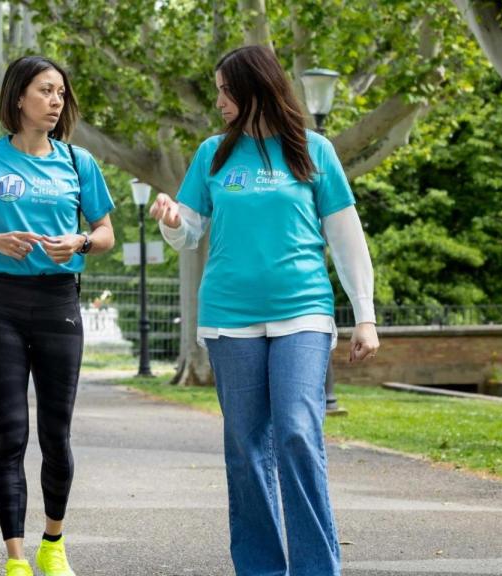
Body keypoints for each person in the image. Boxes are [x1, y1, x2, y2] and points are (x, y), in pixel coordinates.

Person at [150, 45, 379, 576]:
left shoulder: (312, 149)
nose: (219, 100)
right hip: (230, 318)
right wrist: (168, 217)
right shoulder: (213, 155)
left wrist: (363, 314)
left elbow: (346, 238)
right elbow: (187, 233)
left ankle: (317, 568)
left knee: (298, 430)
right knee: (246, 445)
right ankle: (260, 568)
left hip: (303, 311)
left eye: (226, 90)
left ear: (255, 88)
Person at [0, 55, 115, 576]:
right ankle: (16, 559)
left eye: (61, 93)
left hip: (59, 302)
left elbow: (105, 233)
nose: (55, 101)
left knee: (56, 433)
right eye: (46, 91)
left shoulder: (77, 162)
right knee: (11, 433)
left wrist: (81, 240)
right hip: (2, 304)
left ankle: (54, 542)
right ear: (19, 97)